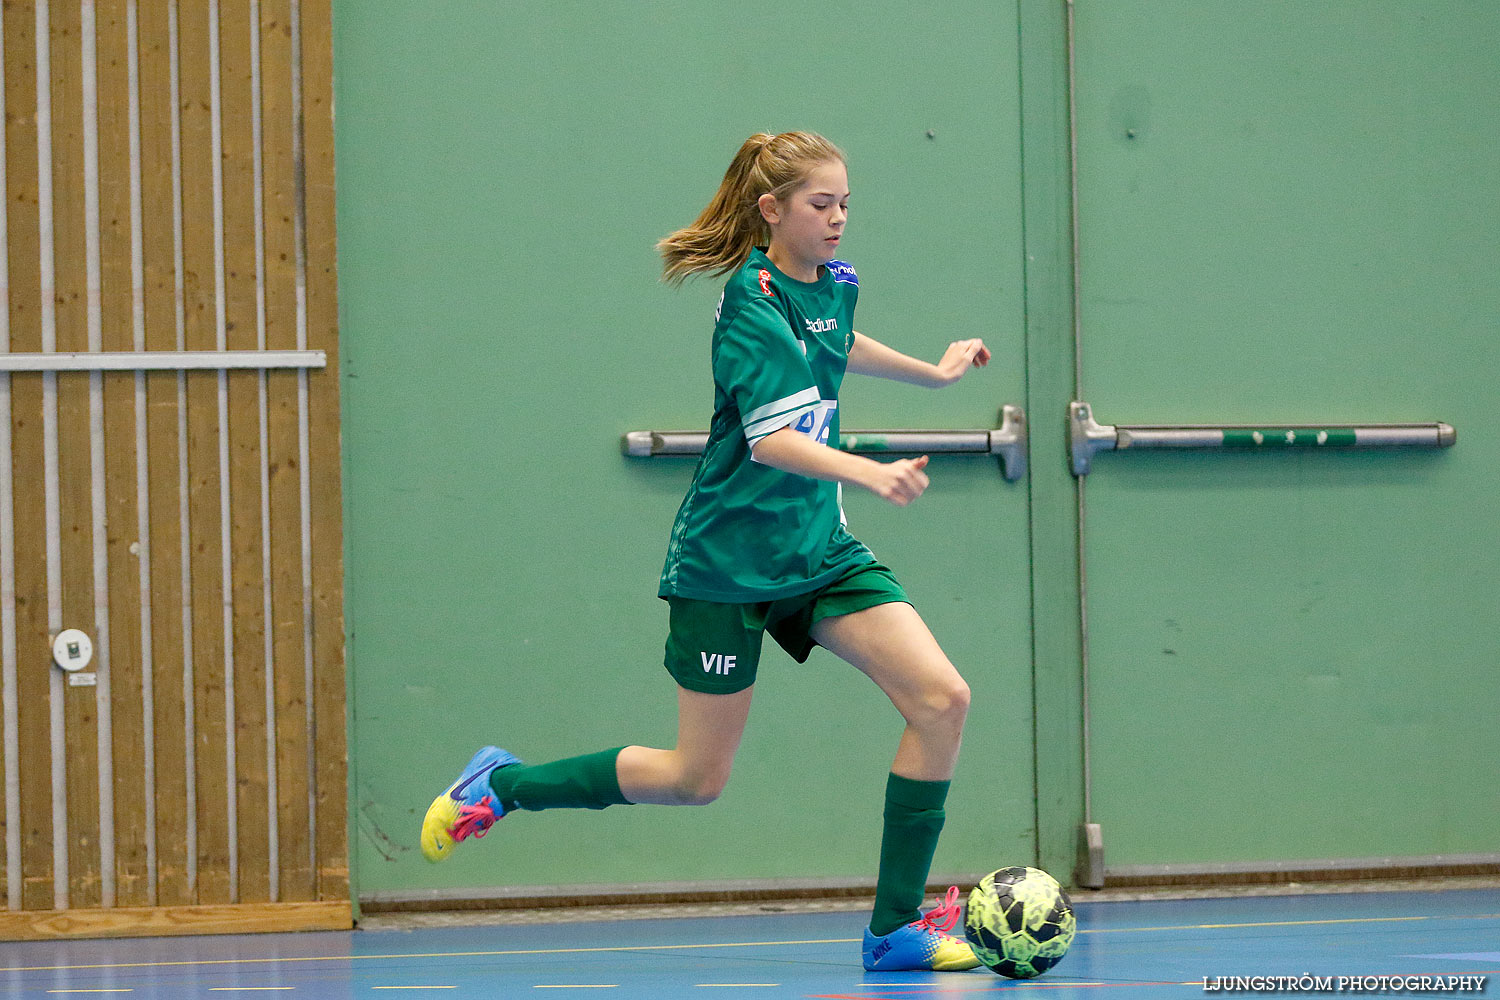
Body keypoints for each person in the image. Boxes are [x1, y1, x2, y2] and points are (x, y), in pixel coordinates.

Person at [421, 132, 991, 973]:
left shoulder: (834, 285)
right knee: (696, 778)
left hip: (817, 553)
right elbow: (773, 442)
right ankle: (500, 788)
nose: (838, 221)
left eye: (845, 205)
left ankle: (895, 929)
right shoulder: (750, 306)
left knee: (942, 700)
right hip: (725, 565)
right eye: (819, 205)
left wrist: (932, 375)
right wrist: (869, 474)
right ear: (772, 210)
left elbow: (838, 343)